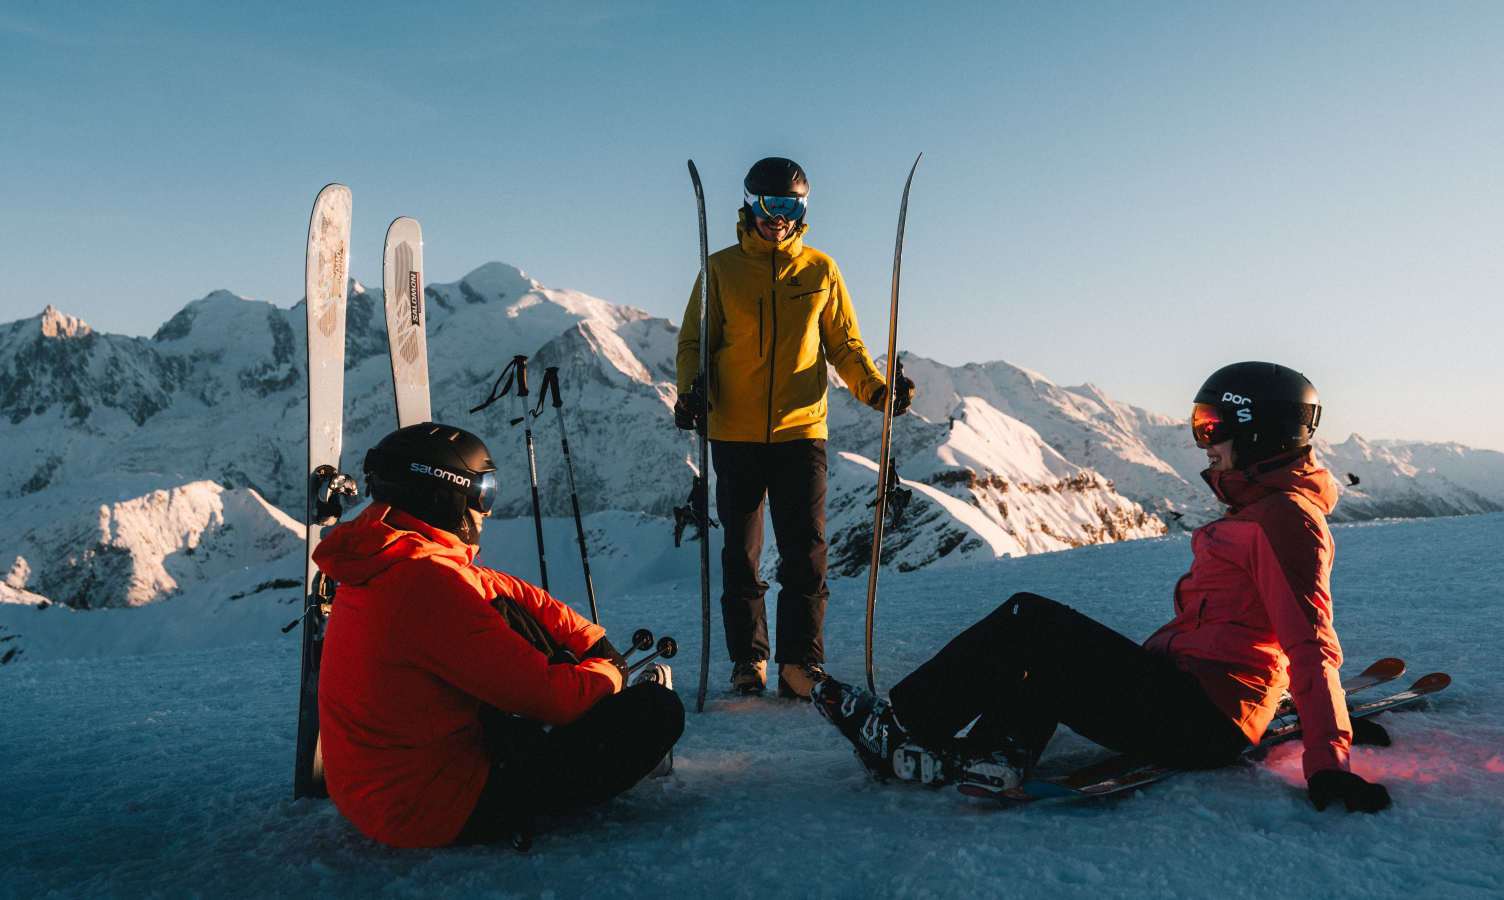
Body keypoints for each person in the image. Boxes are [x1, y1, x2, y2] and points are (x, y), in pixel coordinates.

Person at [812, 362, 1395, 814]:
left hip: (1202, 718)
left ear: (1261, 434)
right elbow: (1252, 632)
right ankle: (991, 755)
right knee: (1048, 662)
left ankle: (902, 727)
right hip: (1195, 698)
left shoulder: (1282, 519)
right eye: (1200, 423)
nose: (1202, 440)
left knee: (1029, 620)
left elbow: (1308, 639)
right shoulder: (1260, 508)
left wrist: (1328, 755)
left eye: (1212, 425)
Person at [314, 423, 684, 849]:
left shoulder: (393, 556)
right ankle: (621, 726)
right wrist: (610, 674)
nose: (486, 510)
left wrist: (591, 641)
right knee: (659, 711)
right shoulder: (428, 589)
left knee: (506, 612)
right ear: (442, 497)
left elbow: (502, 590)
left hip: (380, 792)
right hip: (433, 806)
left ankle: (596, 702)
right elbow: (555, 700)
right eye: (482, 493)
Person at [675, 157, 915, 699]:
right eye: (768, 204)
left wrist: (877, 390)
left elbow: (845, 347)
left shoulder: (821, 271)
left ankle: (800, 665)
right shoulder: (720, 270)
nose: (778, 217)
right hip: (734, 432)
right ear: (750, 204)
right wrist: (694, 391)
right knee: (741, 553)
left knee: (806, 553)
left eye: (791, 206)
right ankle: (748, 661)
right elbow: (695, 344)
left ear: (802, 210)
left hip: (801, 431)